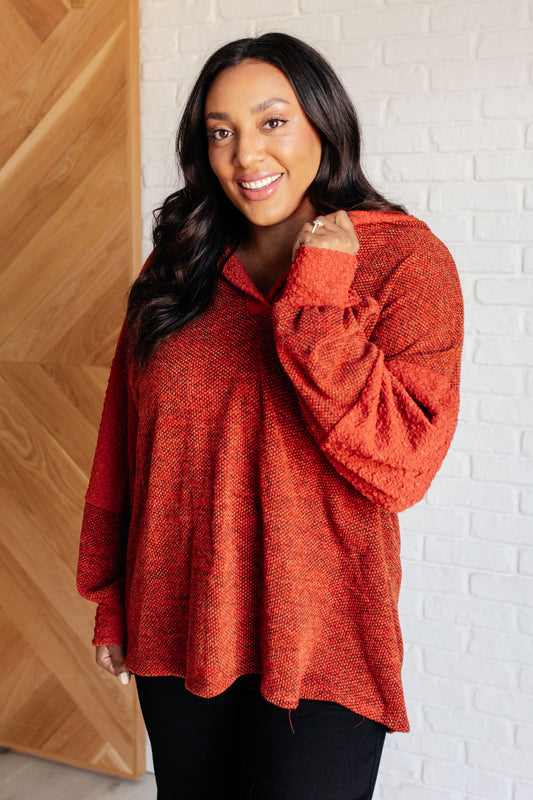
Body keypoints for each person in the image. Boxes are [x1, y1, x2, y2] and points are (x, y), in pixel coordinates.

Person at [77, 32, 463, 800]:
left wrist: (319, 293)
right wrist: (113, 598)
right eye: (220, 132)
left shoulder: (405, 263)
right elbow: (125, 444)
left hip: (321, 644)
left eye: (272, 121)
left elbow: (401, 466)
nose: (245, 153)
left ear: (324, 122)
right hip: (175, 625)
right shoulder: (176, 266)